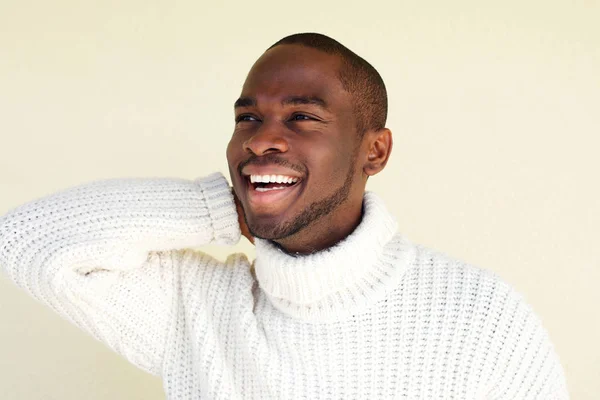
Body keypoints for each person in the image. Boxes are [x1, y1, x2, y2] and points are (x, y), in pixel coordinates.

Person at [0, 33, 568, 399]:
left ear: (375, 151)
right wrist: (222, 209)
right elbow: (26, 241)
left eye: (302, 117)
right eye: (247, 119)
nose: (261, 140)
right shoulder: (194, 306)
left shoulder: (478, 316)